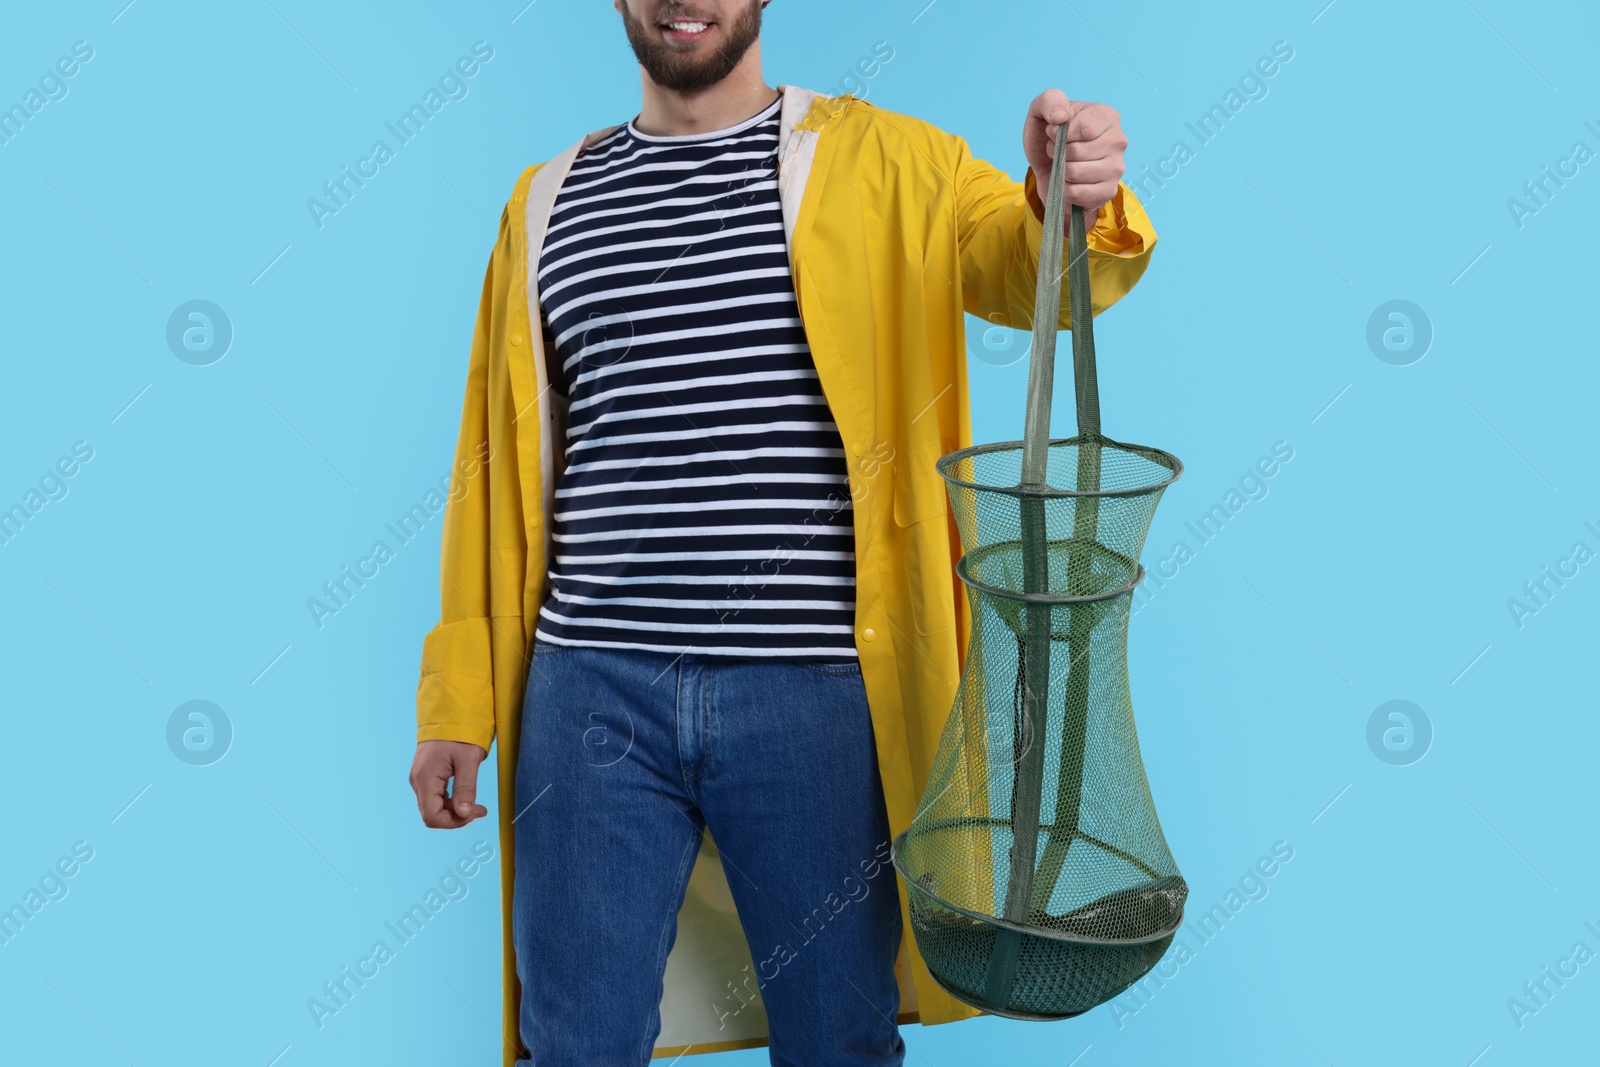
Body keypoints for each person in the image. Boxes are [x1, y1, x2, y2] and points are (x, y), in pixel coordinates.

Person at [408, 1, 1157, 1064]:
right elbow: (491, 470)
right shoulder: (544, 204)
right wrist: (462, 699)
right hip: (591, 694)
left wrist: (1068, 189)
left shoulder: (896, 165)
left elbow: (1030, 268)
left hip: (815, 697)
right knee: (571, 1039)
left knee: (836, 1039)